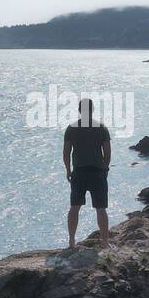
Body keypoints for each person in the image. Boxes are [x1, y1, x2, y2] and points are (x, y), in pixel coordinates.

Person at [63, 98, 111, 248]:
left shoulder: (71, 128)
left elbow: (66, 152)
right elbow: (107, 152)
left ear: (79, 110)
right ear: (92, 109)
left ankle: (71, 241)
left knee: (74, 207)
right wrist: (105, 168)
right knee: (101, 209)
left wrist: (68, 170)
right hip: (97, 172)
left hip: (79, 172)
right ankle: (105, 243)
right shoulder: (101, 128)